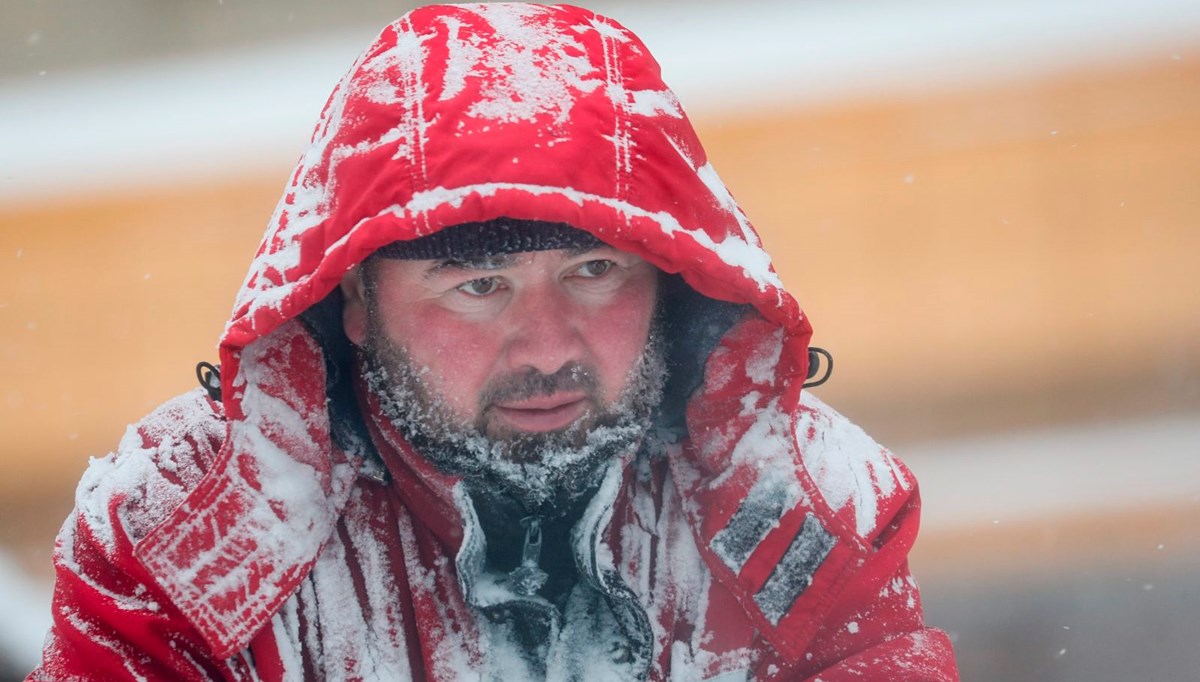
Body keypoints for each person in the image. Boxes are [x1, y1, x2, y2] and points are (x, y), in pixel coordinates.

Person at [30, 4, 958, 680]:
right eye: (479, 287)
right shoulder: (178, 546)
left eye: (595, 272)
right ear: (351, 299)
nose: (547, 344)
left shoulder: (807, 508)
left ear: (673, 279)